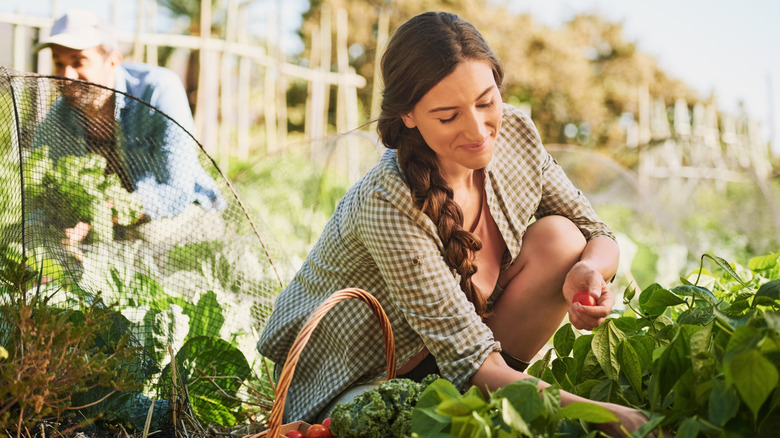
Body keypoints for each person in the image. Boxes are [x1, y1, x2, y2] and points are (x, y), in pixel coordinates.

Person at [258, 11, 652, 437]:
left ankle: (495, 405)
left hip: (468, 358)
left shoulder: (516, 132)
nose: (478, 130)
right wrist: (607, 416)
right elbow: (469, 359)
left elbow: (598, 234)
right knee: (373, 423)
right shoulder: (388, 200)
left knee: (561, 239)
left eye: (486, 102)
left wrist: (590, 269)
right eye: (448, 117)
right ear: (408, 115)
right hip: (361, 380)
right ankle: (493, 404)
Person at [31, 9, 225, 245]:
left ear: (112, 61)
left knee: (145, 237)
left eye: (78, 61)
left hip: (187, 212)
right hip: (107, 222)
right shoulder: (59, 118)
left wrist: (100, 215)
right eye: (58, 63)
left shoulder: (157, 92)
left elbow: (176, 193)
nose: (65, 76)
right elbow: (39, 196)